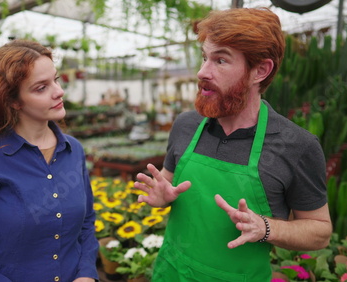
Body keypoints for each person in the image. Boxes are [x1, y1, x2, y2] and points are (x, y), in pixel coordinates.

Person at [134, 7, 332, 281]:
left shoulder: (296, 146)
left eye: (221, 60)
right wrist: (160, 198)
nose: (202, 71)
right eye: (204, 57)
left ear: (260, 70)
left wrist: (265, 228)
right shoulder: (186, 126)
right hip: (171, 272)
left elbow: (320, 231)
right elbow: (167, 185)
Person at [0, 39, 99, 282]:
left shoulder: (73, 151)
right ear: (13, 100)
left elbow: (87, 224)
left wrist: (87, 274)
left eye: (55, 80)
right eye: (41, 87)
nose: (59, 92)